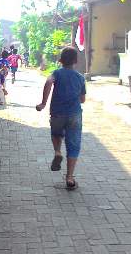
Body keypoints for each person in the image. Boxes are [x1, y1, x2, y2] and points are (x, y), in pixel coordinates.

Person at [35, 47, 86, 190]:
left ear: (60, 60)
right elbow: (82, 100)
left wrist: (43, 103)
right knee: (73, 145)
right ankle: (69, 178)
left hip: (57, 113)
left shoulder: (56, 73)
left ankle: (57, 151)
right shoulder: (80, 78)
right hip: (74, 114)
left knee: (56, 134)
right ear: (76, 61)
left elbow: (48, 82)